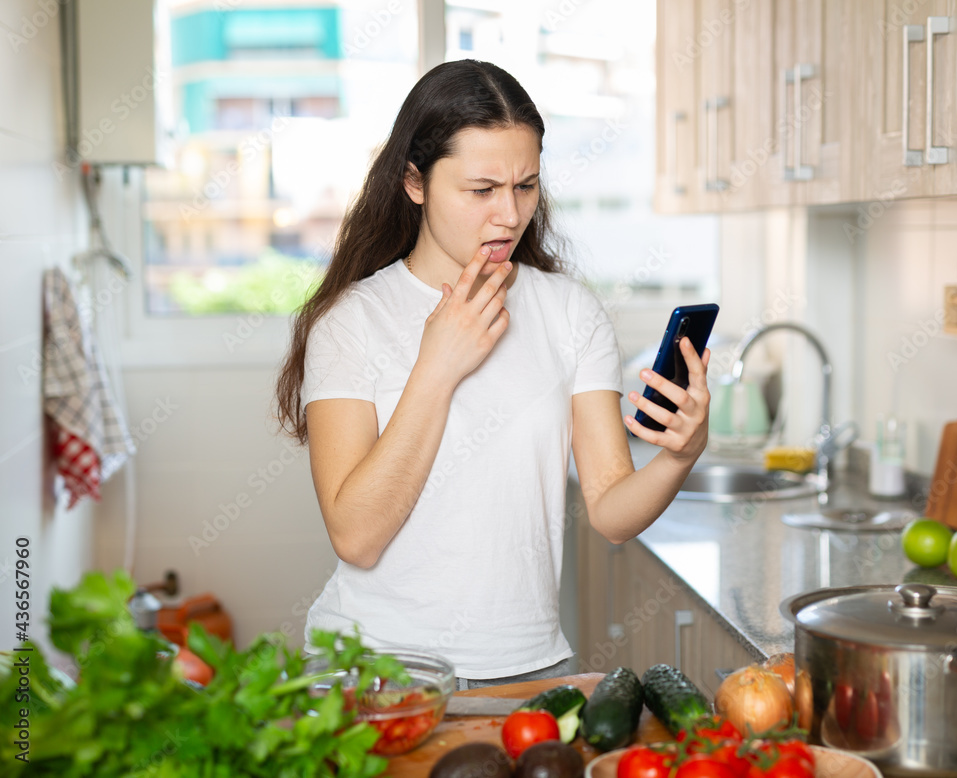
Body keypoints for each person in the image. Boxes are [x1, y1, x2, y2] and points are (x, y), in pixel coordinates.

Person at [275, 59, 710, 688]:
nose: (509, 215)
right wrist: (437, 368)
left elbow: (612, 512)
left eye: (525, 186)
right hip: (373, 673)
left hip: (530, 666)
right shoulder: (352, 323)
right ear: (414, 181)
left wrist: (679, 455)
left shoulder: (568, 311)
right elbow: (357, 537)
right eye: (481, 190)